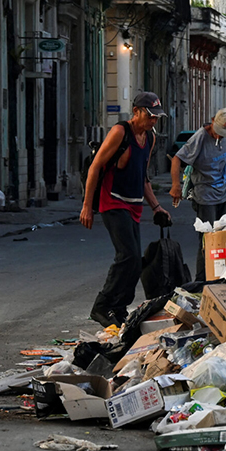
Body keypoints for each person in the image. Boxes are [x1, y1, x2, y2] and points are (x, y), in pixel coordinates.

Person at [81, 92, 170, 328]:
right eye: (150, 116)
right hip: (112, 201)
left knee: (134, 261)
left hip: (134, 204)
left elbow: (144, 177)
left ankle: (119, 309)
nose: (153, 121)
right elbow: (95, 167)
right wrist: (87, 206)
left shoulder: (149, 138)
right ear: (137, 112)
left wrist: (157, 207)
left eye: (156, 118)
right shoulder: (120, 132)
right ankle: (103, 305)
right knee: (127, 255)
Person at [170, 108, 226, 282]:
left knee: (222, 237)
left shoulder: (225, 138)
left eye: (223, 135)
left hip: (223, 193)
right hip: (205, 196)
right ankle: (202, 280)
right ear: (213, 121)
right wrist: (176, 185)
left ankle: (219, 276)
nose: (219, 137)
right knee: (207, 239)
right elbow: (177, 159)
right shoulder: (200, 137)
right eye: (217, 133)